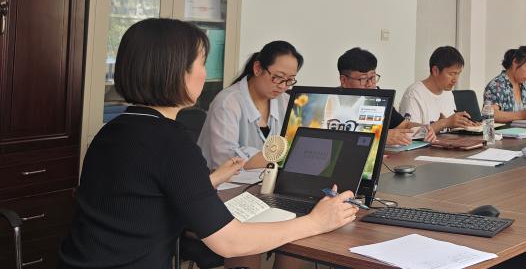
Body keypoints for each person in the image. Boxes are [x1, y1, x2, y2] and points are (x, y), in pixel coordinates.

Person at [58, 18, 358, 269]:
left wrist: (210, 180)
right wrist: (316, 222)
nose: (205, 73)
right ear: (175, 71)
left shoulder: (113, 130)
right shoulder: (171, 141)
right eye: (201, 63)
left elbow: (144, 196)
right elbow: (229, 242)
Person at [199, 41, 302, 171]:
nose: (283, 86)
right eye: (278, 77)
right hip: (224, 181)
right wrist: (281, 157)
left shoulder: (286, 102)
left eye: (290, 80)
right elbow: (226, 160)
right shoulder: (227, 103)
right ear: (258, 68)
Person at [337, 47, 435, 144]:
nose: (370, 84)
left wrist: (423, 129)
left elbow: (404, 125)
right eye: (363, 79)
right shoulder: (332, 100)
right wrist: (382, 137)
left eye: (372, 77)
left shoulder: (378, 100)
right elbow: (337, 138)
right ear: (343, 80)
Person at [398, 46, 476, 135]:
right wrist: (444, 123)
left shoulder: (448, 93)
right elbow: (410, 133)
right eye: (451, 74)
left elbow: (448, 129)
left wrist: (465, 124)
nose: (455, 80)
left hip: (447, 142)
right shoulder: (413, 94)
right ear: (435, 70)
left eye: (458, 74)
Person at [483, 45, 526, 123]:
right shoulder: (497, 85)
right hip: (502, 131)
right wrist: (521, 115)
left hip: (523, 130)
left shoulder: (525, 88)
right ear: (515, 62)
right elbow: (490, 114)